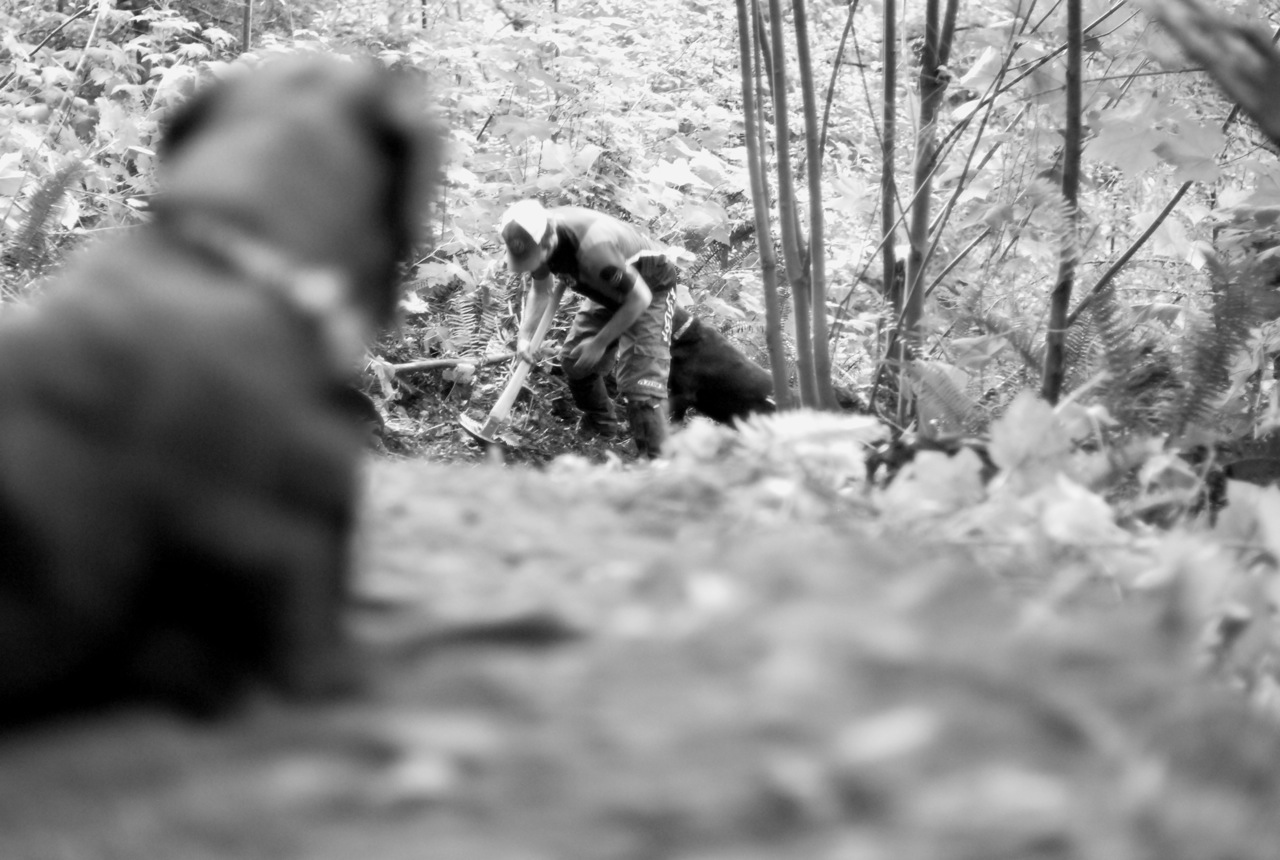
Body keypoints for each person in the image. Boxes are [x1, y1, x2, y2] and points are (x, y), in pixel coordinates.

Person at [500, 199, 678, 458]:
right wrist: (524, 338)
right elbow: (541, 289)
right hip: (605, 289)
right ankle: (604, 428)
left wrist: (600, 343)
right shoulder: (532, 235)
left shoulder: (594, 250)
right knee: (575, 362)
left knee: (642, 386)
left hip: (651, 288)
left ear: (549, 244)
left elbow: (639, 298)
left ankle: (659, 465)